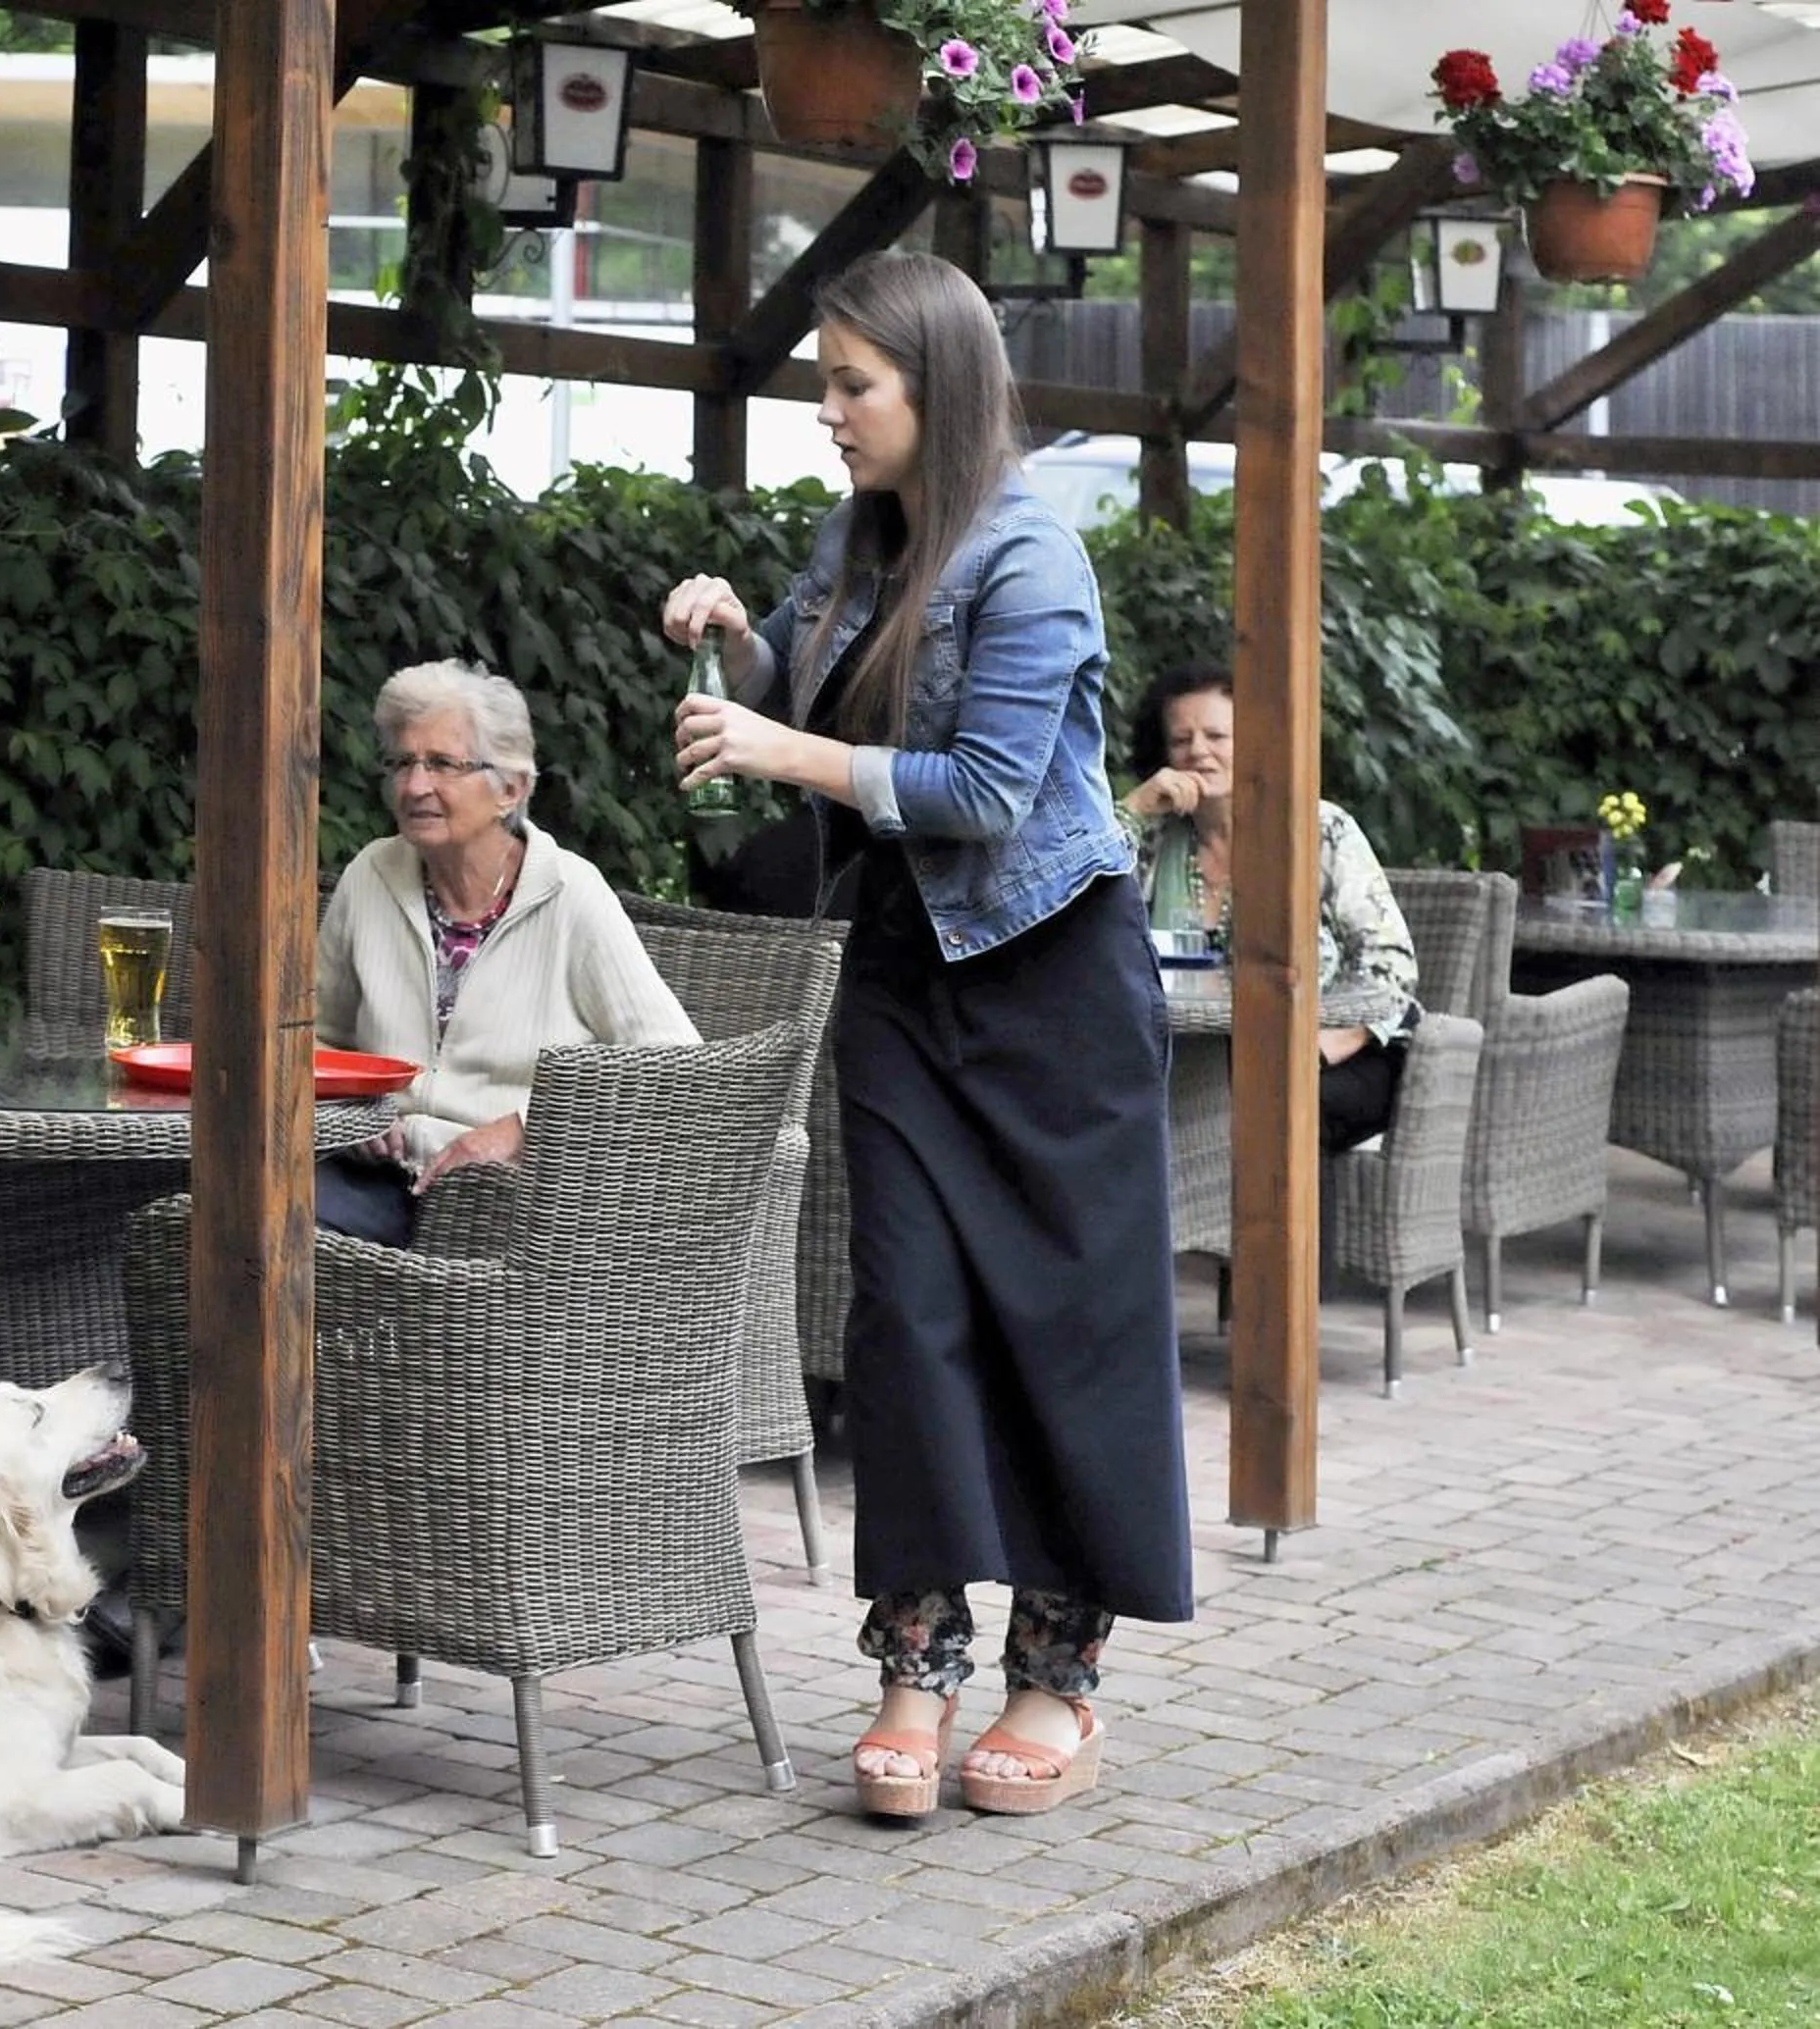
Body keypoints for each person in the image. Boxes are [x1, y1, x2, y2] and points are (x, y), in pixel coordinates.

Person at [657, 250, 1187, 1820]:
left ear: (934, 389)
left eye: (848, 386)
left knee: (1061, 1340)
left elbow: (983, 793)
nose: (825, 413)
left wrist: (778, 745)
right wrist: (741, 644)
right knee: (907, 1321)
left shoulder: (1037, 559)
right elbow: (823, 706)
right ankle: (913, 1666)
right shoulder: (857, 534)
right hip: (903, 967)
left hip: (1053, 984)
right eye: (823, 381)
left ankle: (1056, 1684)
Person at [315, 659, 697, 1248]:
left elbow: (678, 1072)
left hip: (518, 1201)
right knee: (239, 1208)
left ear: (511, 789)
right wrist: (346, 1118)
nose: (415, 786)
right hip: (376, 1181)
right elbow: (314, 1040)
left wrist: (525, 1134)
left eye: (442, 764)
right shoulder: (371, 874)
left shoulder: (572, 895)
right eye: (402, 763)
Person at [1122, 660, 1422, 1155]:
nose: (1198, 750)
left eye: (1217, 735)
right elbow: (1083, 908)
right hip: (1197, 1060)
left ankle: (1284, 1235)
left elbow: (1391, 968)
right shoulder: (1155, 841)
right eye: (1181, 740)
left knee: (1276, 1112)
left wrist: (1316, 1051)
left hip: (1342, 1052)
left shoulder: (1319, 829)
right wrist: (1133, 809)